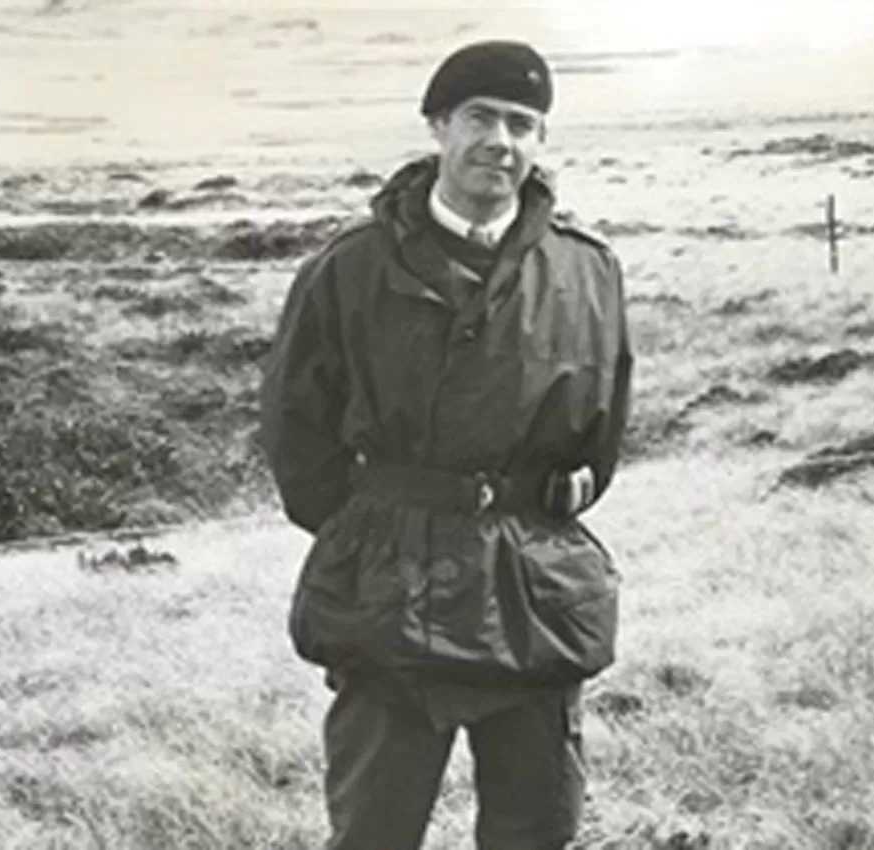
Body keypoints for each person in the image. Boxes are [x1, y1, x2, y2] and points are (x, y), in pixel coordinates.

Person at [259, 40, 634, 850]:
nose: (501, 140)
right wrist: (376, 528)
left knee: (538, 831)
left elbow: (601, 437)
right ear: (439, 125)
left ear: (540, 141)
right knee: (374, 834)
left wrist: (528, 516)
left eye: (524, 123)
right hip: (391, 594)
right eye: (481, 117)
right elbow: (298, 437)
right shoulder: (348, 270)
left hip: (533, 597)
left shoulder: (587, 274)